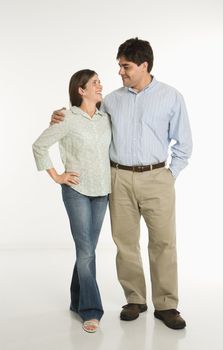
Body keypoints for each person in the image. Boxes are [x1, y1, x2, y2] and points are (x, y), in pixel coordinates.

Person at [51, 38, 193, 330]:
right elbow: (83, 115)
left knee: (163, 243)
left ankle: (166, 305)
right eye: (119, 66)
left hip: (157, 178)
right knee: (125, 243)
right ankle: (135, 299)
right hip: (118, 177)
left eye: (125, 66)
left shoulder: (171, 97)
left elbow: (185, 144)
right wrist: (59, 115)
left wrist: (169, 174)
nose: (120, 72)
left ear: (144, 65)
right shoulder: (112, 100)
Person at [32, 69, 111, 333]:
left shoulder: (105, 118)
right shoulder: (66, 117)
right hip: (76, 191)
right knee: (86, 251)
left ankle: (77, 301)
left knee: (87, 251)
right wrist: (57, 176)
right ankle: (91, 310)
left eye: (100, 82)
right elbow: (39, 145)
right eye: (95, 83)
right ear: (81, 89)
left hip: (102, 192)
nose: (100, 86)